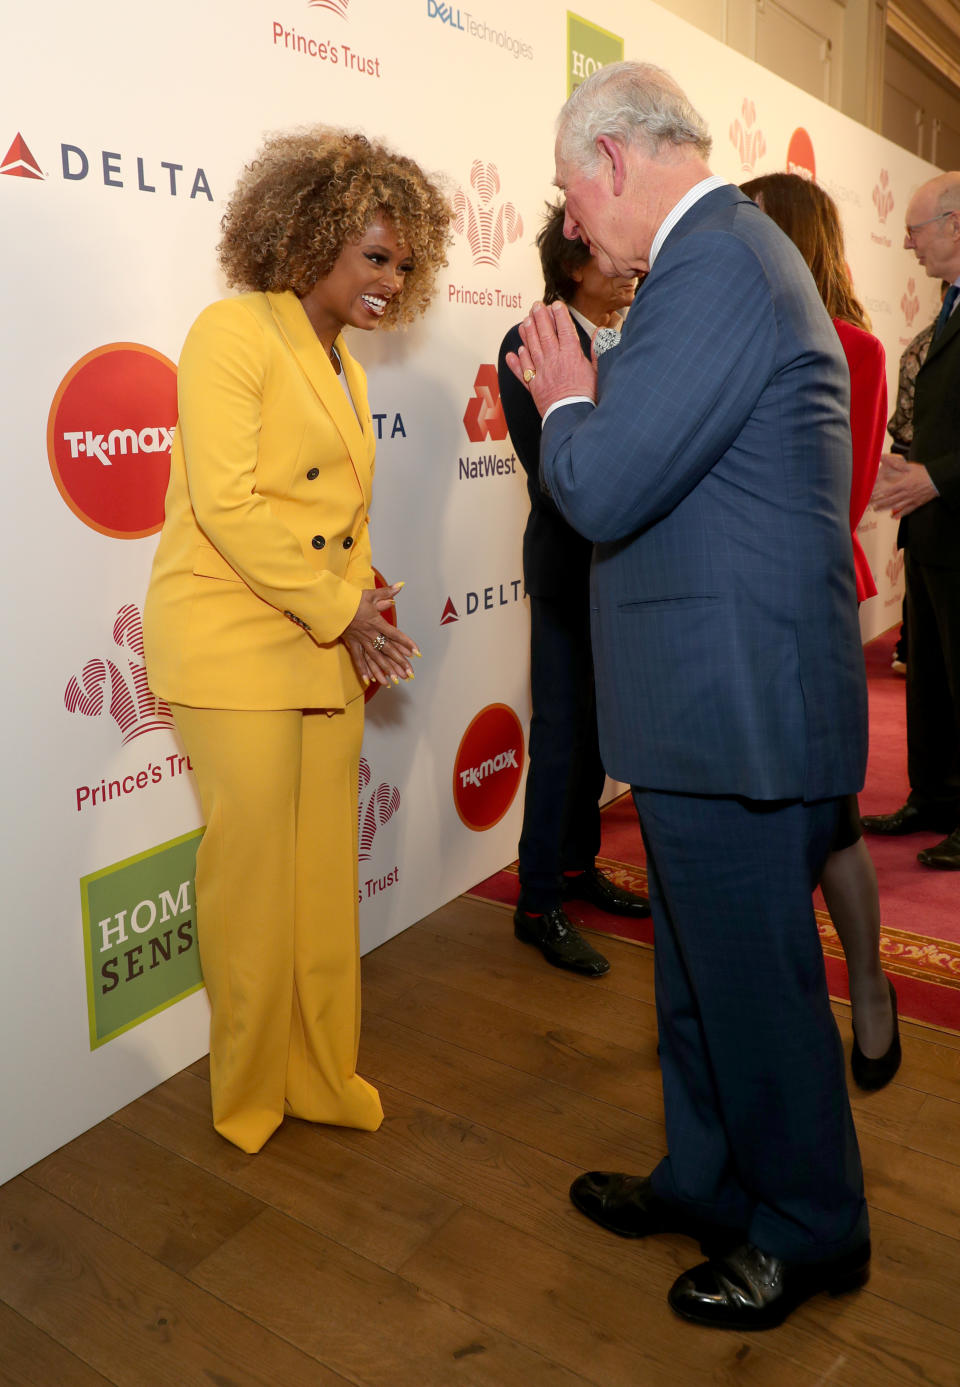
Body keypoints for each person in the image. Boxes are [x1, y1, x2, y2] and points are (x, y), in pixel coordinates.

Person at [506, 61, 870, 1330]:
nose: (566, 225)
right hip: (707, 706)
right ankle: (712, 1180)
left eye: (567, 191)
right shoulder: (717, 258)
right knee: (701, 981)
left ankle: (808, 1229)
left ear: (613, 160)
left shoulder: (717, 260)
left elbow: (601, 486)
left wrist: (564, 399)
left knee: (755, 988)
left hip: (735, 709)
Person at [143, 129, 450, 1153]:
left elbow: (327, 513)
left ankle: (322, 1071)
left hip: (317, 639)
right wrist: (339, 604)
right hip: (232, 642)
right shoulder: (232, 333)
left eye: (404, 263)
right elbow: (229, 505)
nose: (392, 279)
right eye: (374, 256)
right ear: (309, 236)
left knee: (322, 877)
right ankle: (251, 1091)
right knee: (252, 884)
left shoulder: (342, 362)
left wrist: (359, 586)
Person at [740, 172, 899, 1089]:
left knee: (827, 817)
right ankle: (733, 1004)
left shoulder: (856, 347)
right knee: (753, 820)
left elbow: (838, 492)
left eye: (754, 225)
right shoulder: (739, 329)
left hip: (808, 608)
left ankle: (870, 989)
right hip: (739, 614)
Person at [497, 203, 650, 979]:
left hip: (622, 567)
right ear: (574, 262)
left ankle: (577, 865)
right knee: (560, 732)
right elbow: (553, 470)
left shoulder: (632, 334)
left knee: (595, 732)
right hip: (567, 566)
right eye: (610, 253)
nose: (629, 266)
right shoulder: (532, 342)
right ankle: (534, 901)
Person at [866, 173, 960, 869]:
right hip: (930, 531)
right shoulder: (949, 303)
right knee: (929, 674)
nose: (907, 241)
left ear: (956, 226)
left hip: (953, 518)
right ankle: (933, 797)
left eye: (918, 227)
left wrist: (935, 475)